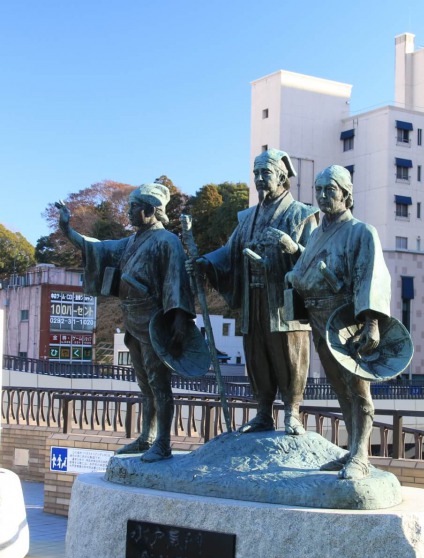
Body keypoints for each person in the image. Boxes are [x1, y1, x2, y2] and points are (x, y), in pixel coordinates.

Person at [56, 183, 196, 462]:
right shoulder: (131, 242)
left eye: (134, 207)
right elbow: (96, 248)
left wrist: (180, 318)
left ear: (150, 210)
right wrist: (67, 229)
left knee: (159, 384)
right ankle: (146, 437)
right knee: (144, 385)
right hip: (132, 320)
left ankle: (163, 442)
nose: (129, 212)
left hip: (156, 321)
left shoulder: (167, 241)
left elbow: (177, 281)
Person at [194, 149, 318, 435]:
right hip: (253, 297)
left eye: (266, 173)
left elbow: (315, 258)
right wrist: (206, 262)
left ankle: (292, 411)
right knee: (256, 352)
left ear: (282, 177)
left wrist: (293, 249)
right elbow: (229, 251)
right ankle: (263, 411)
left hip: (284, 301)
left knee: (289, 353)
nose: (260, 178)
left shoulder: (302, 215)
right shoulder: (248, 217)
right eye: (256, 173)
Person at [287, 165, 391, 480]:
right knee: (340, 389)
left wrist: (371, 322)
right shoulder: (316, 234)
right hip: (319, 321)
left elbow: (371, 278)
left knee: (358, 389)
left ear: (346, 194)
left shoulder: (361, 232)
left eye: (329, 189)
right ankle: (352, 450)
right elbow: (304, 271)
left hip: (347, 321)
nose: (322, 196)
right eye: (318, 190)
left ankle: (361, 455)